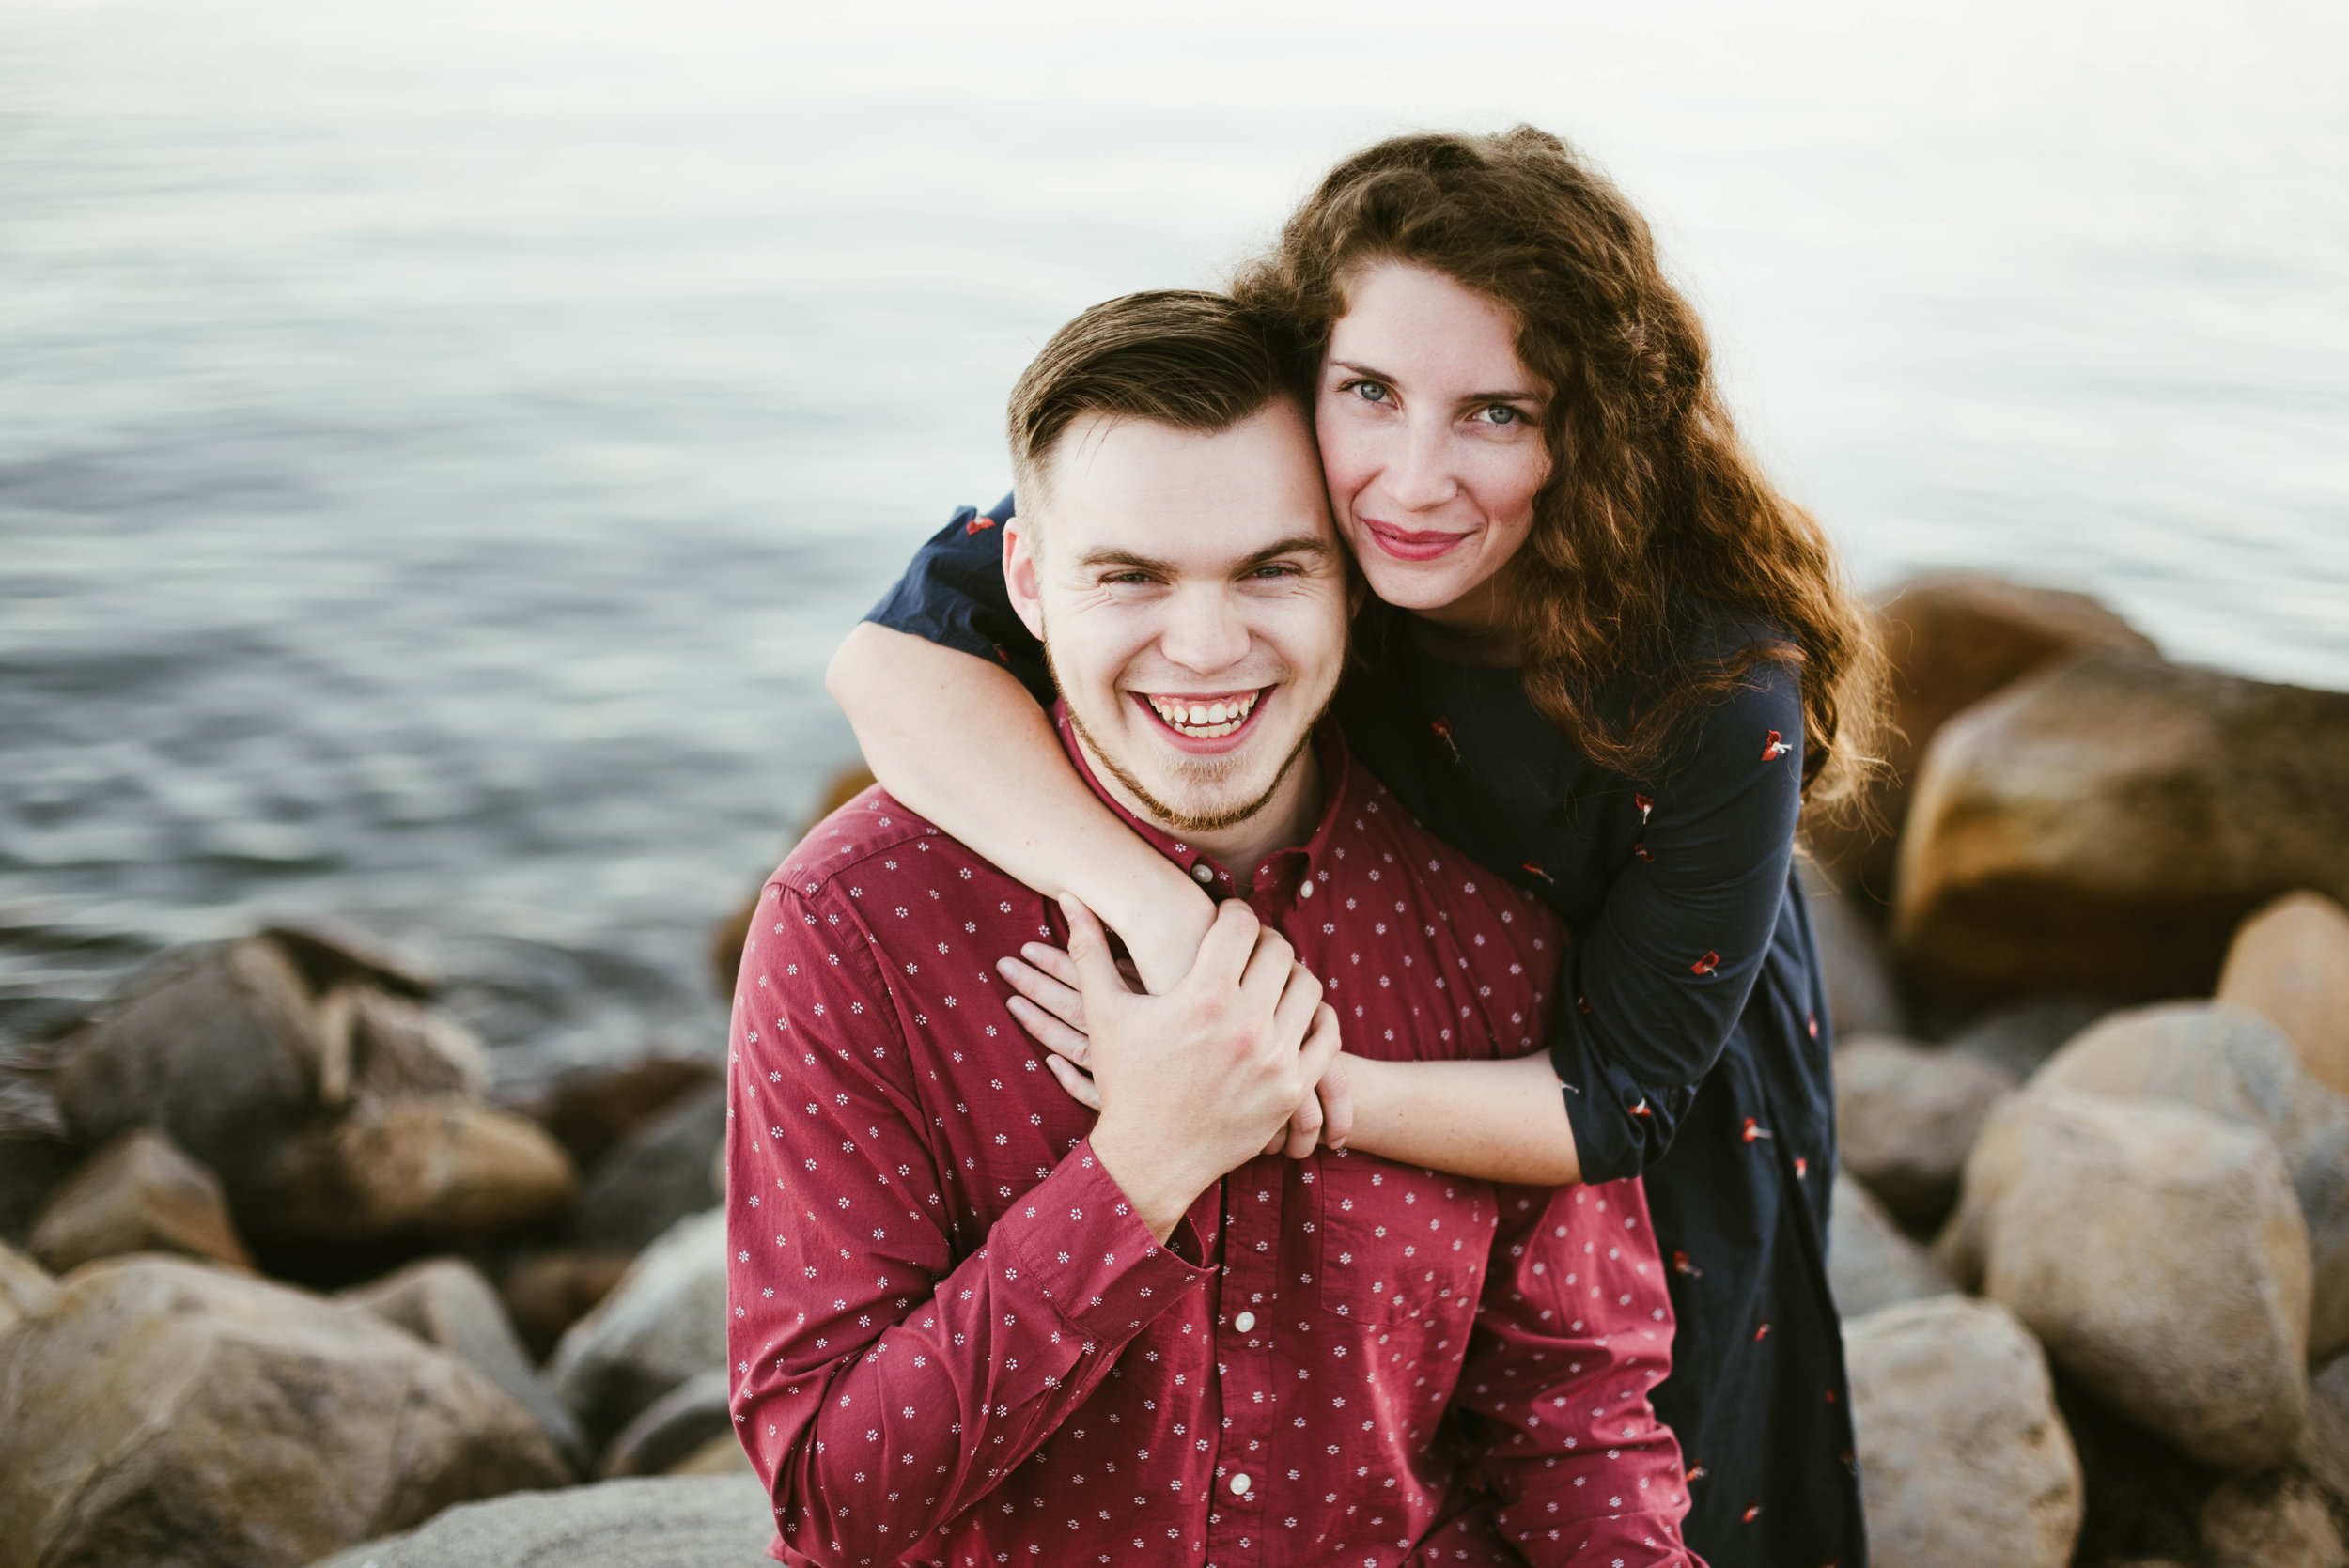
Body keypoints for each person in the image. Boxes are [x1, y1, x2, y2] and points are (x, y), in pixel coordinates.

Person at [826, 127, 1886, 1567]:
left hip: (1636, 1061)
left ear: (1591, 424)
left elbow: (1616, 1099)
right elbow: (891, 667)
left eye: (1497, 412)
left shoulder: (1711, 680)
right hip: (1379, 945)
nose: (1413, 477)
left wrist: (1275, 1085)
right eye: (1371, 391)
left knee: (1654, 1440)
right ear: (1308, 368)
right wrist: (1174, 929)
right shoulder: (1267, 505)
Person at [726, 289, 1698, 1567]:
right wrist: (1138, 1171)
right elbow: (832, 1496)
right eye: (1129, 575)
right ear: (1026, 577)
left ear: (1355, 574)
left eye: (1272, 569)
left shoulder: (1496, 913)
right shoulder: (855, 925)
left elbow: (1576, 1427)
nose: (1203, 645)